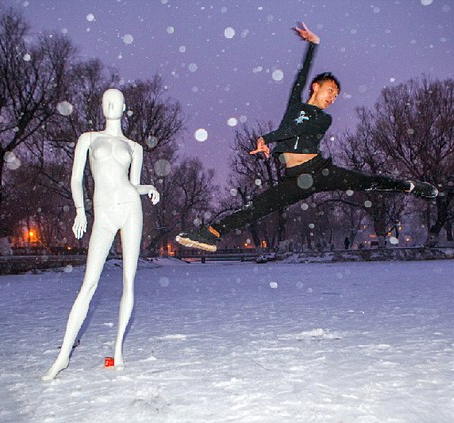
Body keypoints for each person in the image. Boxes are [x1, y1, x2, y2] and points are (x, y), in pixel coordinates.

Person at [176, 22, 437, 253]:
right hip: (295, 180)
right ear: (316, 86)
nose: (332, 98)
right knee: (257, 207)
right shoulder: (295, 105)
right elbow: (301, 76)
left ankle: (411, 186)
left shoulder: (323, 119)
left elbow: (296, 132)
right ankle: (210, 234)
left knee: (367, 181)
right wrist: (314, 44)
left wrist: (268, 138)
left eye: (335, 96)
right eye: (330, 91)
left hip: (319, 171)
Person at [42, 88, 160, 381]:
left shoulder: (134, 147)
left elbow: (133, 183)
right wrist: (80, 210)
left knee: (128, 281)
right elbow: (76, 177)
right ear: (102, 106)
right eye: (107, 100)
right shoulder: (89, 139)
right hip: (104, 213)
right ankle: (63, 356)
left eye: (117, 101)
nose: (111, 104)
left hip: (131, 208)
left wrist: (150, 189)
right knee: (89, 283)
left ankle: (118, 348)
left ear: (123, 108)